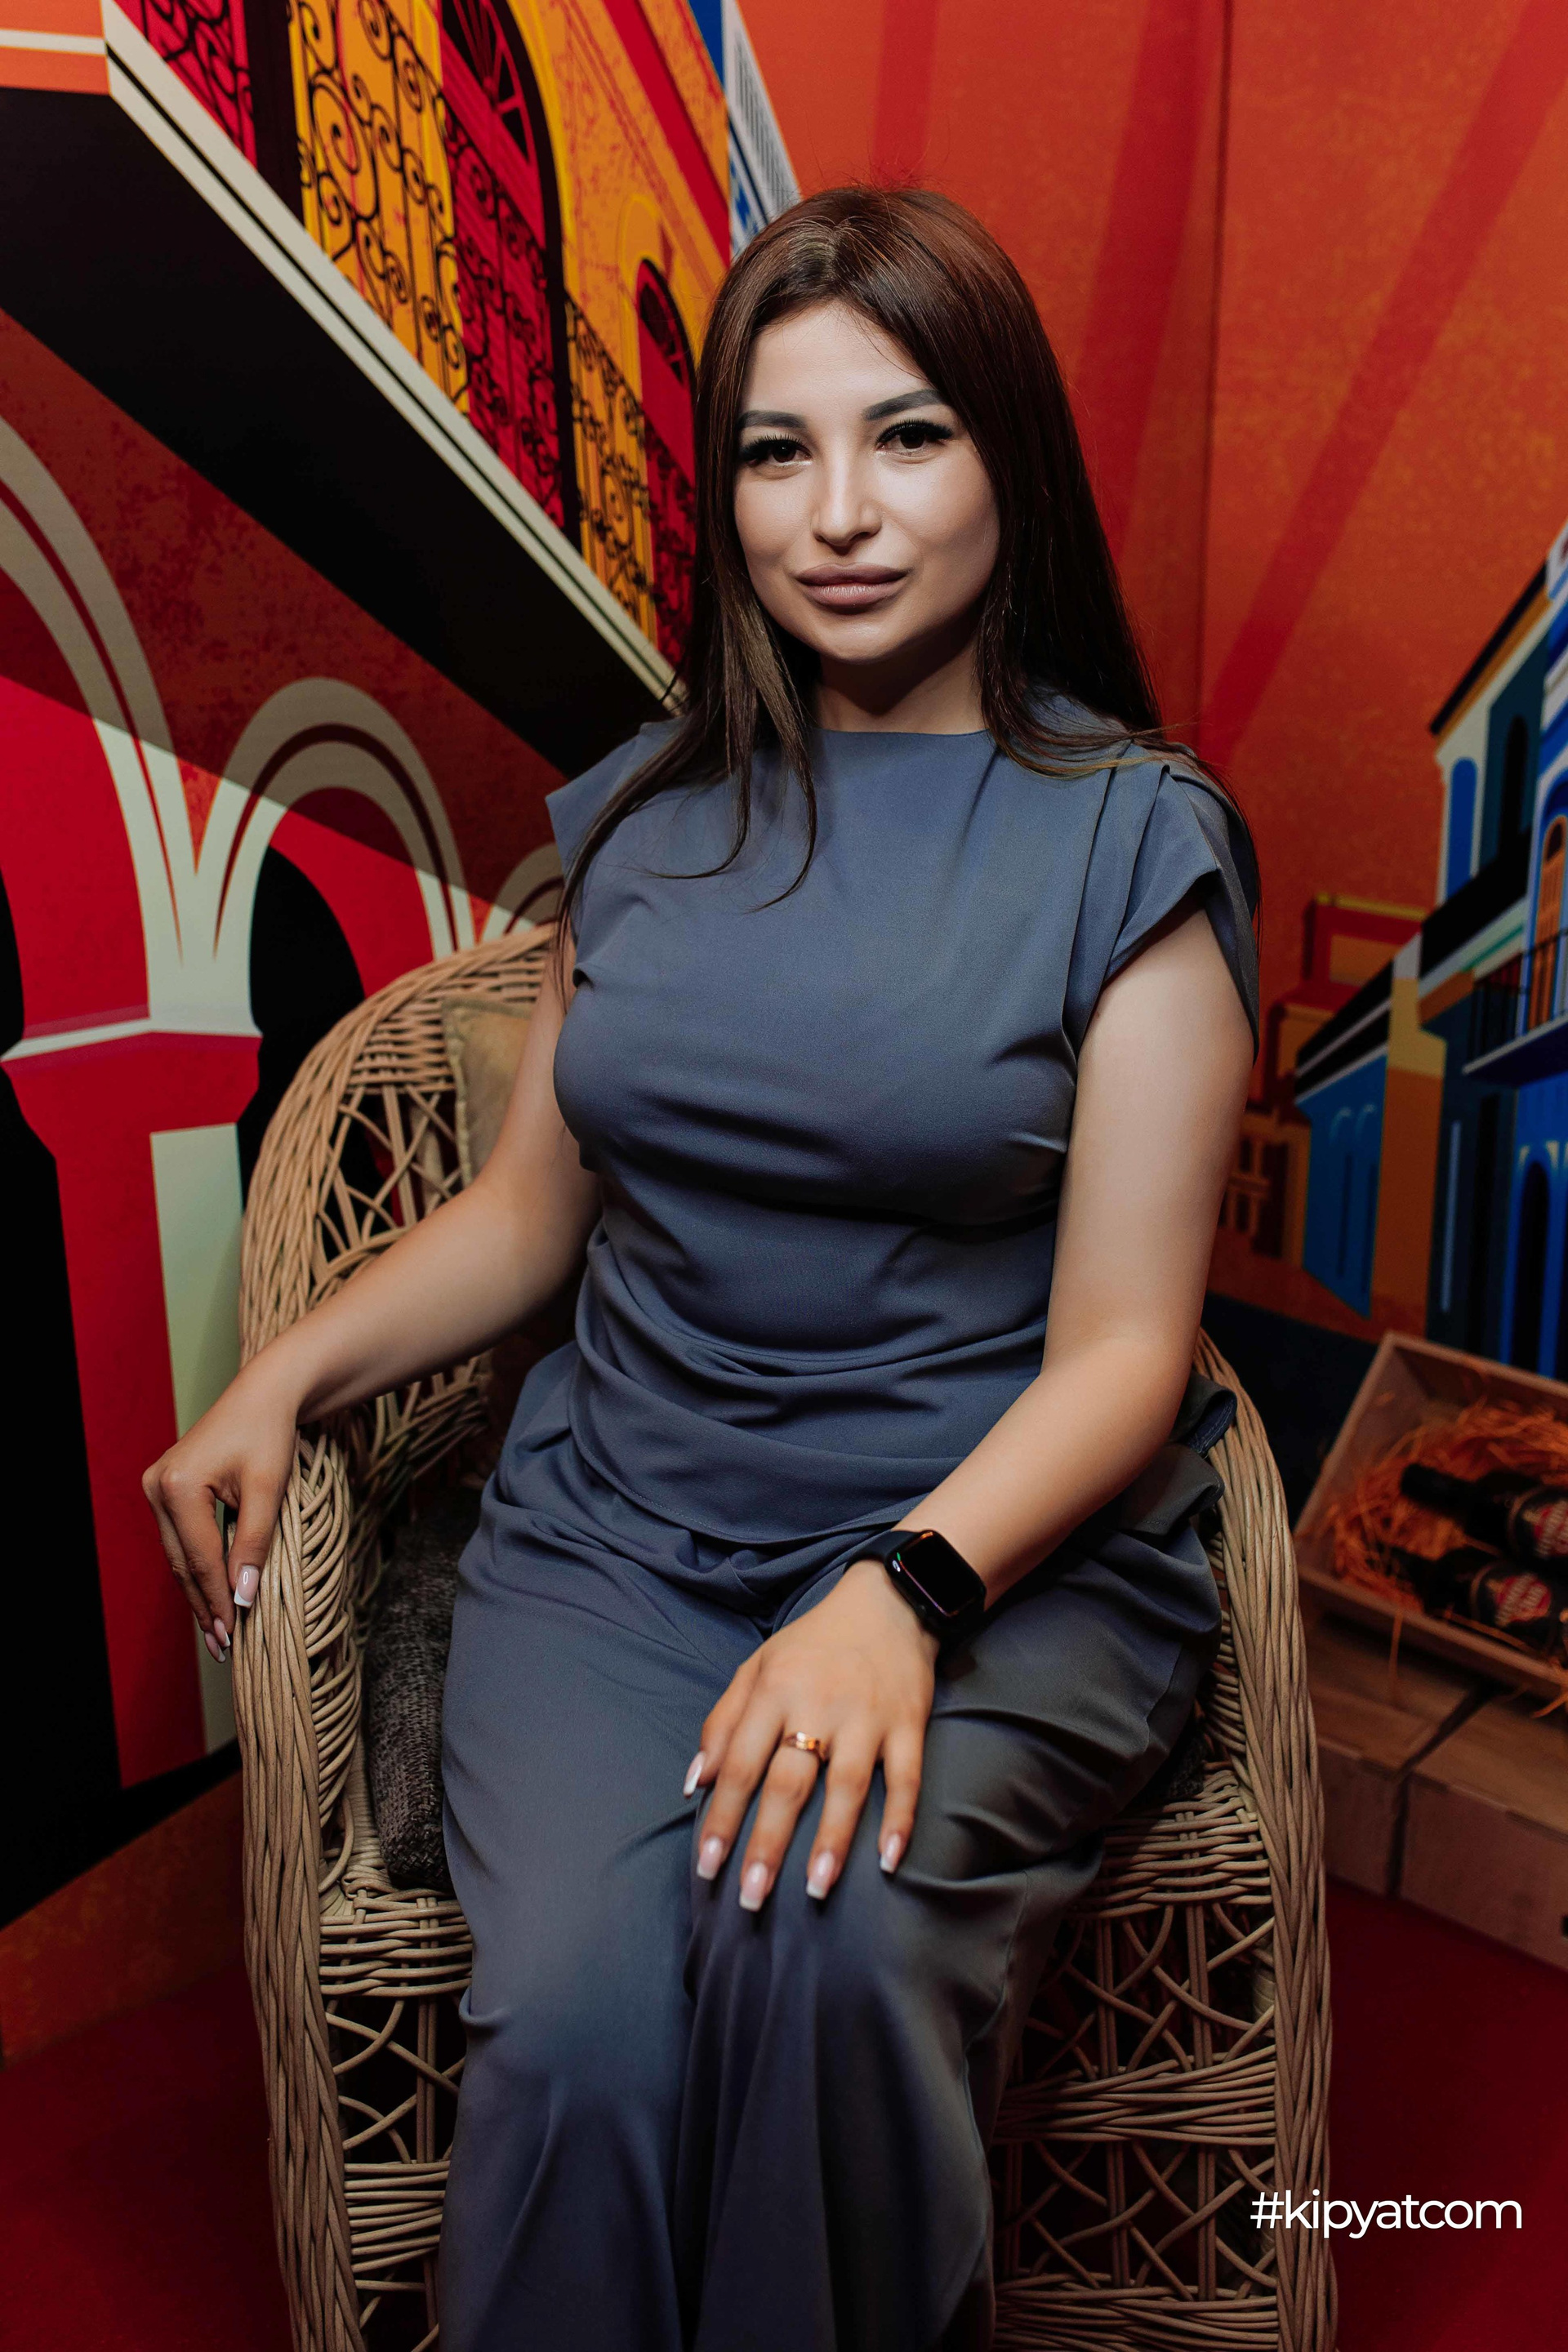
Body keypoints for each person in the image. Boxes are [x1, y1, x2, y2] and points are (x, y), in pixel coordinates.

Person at [144, 186, 1258, 2352]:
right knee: (581, 2038)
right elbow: (526, 1217)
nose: (837, 512)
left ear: (1010, 458)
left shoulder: (1133, 838)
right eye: (775, 449)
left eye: (907, 435)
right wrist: (279, 1379)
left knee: (825, 1952)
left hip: (996, 1558)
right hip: (624, 1545)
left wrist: (903, 1596)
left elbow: (1131, 1351)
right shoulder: (649, 819)